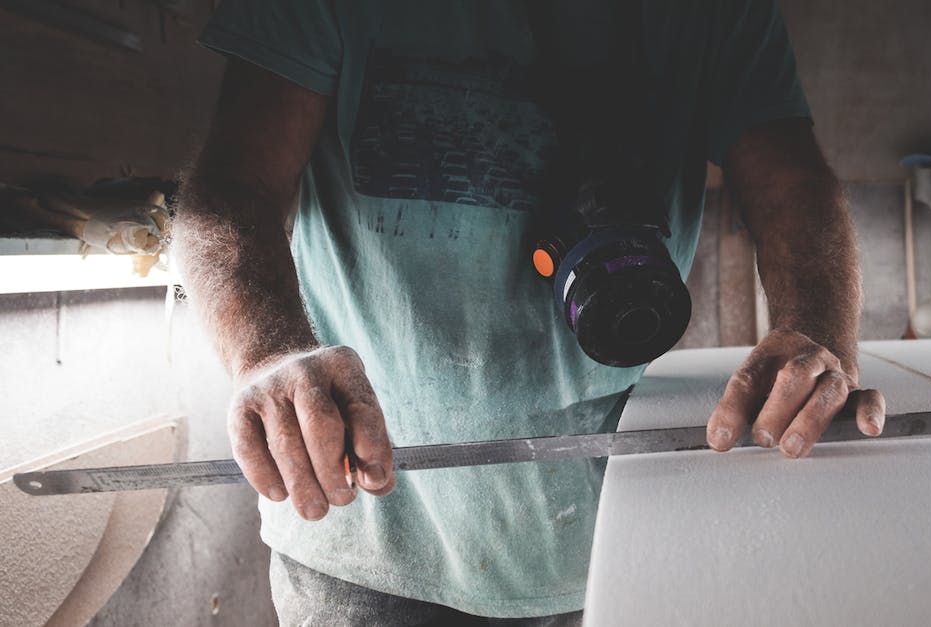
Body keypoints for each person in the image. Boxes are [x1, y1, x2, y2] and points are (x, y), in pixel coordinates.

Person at [174, 1, 885, 624]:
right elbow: (232, 188)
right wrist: (266, 351)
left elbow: (793, 182)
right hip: (365, 545)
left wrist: (817, 333)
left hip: (614, 536)